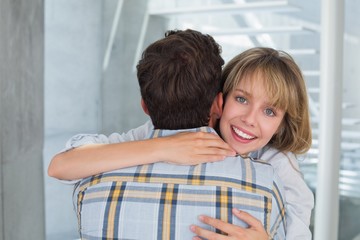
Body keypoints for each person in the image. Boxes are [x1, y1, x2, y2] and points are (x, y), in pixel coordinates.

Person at [49, 30, 287, 239]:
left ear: (144, 106)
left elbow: (61, 165)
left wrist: (160, 147)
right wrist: (164, 147)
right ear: (218, 103)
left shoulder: (91, 182)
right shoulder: (265, 185)